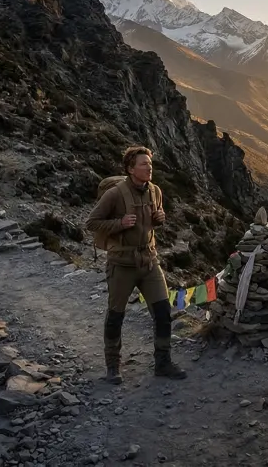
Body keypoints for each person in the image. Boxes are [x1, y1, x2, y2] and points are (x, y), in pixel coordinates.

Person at [85, 146, 187, 383]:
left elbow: (153, 222)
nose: (149, 167)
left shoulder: (155, 191)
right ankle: (113, 366)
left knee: (163, 312)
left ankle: (163, 363)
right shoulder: (115, 194)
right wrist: (119, 223)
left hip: (150, 261)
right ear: (130, 169)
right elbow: (92, 222)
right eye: (143, 164)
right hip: (122, 264)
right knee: (115, 315)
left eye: (150, 163)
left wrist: (160, 219)